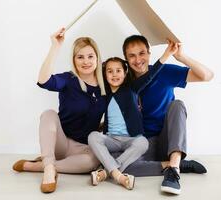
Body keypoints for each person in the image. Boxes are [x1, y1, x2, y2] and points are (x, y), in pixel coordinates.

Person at [12, 28, 107, 193]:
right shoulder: (68, 79)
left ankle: (37, 166)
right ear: (73, 60)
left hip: (83, 149)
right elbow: (43, 80)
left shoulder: (106, 84)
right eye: (80, 57)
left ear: (98, 58)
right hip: (60, 143)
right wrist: (54, 47)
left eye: (90, 56)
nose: (86, 61)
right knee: (48, 114)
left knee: (93, 161)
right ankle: (49, 168)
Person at [120, 35, 214, 195]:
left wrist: (181, 57)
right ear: (126, 59)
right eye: (132, 55)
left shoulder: (164, 71)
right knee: (121, 167)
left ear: (149, 54)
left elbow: (207, 76)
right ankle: (171, 164)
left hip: (168, 141)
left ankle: (174, 170)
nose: (138, 60)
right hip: (143, 144)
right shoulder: (123, 81)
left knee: (177, 105)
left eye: (142, 53)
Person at [88, 41, 175, 190]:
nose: (114, 74)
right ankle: (118, 174)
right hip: (112, 139)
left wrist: (166, 55)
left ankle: (106, 172)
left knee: (143, 142)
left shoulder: (131, 89)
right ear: (104, 74)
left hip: (132, 139)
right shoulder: (104, 94)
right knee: (93, 136)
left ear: (125, 72)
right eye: (110, 71)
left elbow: (150, 75)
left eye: (118, 70)